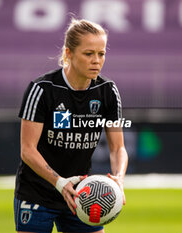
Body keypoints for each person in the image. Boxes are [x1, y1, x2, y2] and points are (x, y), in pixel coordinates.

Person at [14, 18, 128, 233]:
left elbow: (118, 148)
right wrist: (59, 183)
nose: (97, 60)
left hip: (82, 195)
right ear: (68, 54)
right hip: (38, 193)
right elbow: (27, 150)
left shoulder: (108, 91)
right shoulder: (42, 89)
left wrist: (118, 179)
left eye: (101, 54)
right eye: (89, 53)